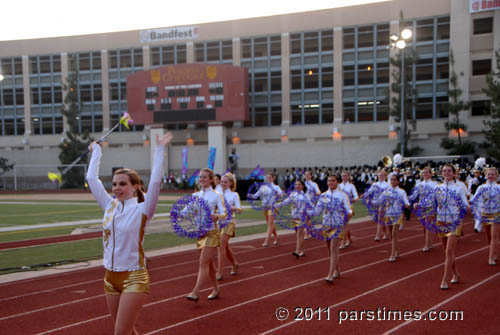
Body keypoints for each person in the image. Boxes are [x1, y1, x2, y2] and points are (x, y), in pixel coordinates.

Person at [86, 132, 173, 335]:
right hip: (110, 277)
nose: (117, 188)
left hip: (134, 277)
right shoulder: (109, 205)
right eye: (115, 184)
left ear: (135, 187)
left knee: (120, 333)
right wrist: (97, 151)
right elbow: (91, 178)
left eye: (123, 184)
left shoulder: (143, 209)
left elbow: (155, 184)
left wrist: (160, 151)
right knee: (127, 331)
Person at [185, 168, 227, 302]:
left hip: (211, 233)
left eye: (204, 177)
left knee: (203, 263)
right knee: (208, 265)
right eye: (200, 177)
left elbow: (225, 214)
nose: (202, 179)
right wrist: (176, 214)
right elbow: (187, 210)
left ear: (211, 179)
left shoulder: (216, 195)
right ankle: (216, 288)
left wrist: (217, 216)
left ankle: (195, 292)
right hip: (199, 233)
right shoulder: (195, 195)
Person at [432, 164, 469, 290]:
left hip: (454, 222)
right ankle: (455, 274)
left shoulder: (459, 188)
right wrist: (418, 205)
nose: (446, 173)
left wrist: (467, 207)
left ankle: (444, 279)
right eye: (444, 171)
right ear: (442, 173)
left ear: (454, 173)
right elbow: (431, 202)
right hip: (441, 222)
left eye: (449, 171)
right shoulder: (438, 188)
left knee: (449, 252)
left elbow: (465, 203)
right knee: (448, 252)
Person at [312, 175, 352, 283]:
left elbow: (349, 209)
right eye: (329, 181)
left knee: (334, 250)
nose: (330, 183)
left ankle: (330, 275)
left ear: (337, 182)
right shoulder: (323, 195)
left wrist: (349, 214)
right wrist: (307, 211)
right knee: (330, 250)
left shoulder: (342, 195)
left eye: (333, 181)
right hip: (326, 225)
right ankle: (337, 270)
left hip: (338, 225)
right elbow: (317, 211)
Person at [373, 172, 410, 262]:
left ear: (398, 181)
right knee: (393, 235)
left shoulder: (401, 191)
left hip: (398, 214)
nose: (393, 181)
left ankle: (392, 254)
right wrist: (369, 201)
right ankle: (397, 250)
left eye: (394, 180)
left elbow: (406, 201)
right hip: (388, 214)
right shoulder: (387, 191)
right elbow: (379, 201)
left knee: (394, 234)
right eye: (391, 180)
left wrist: (407, 204)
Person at [470, 167, 500, 265]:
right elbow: (475, 198)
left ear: (496, 176)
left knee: (494, 235)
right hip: (485, 214)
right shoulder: (481, 187)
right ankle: (494, 251)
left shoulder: (499, 188)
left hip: (497, 214)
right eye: (489, 174)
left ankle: (490, 257)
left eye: (493, 174)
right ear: (486, 176)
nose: (490, 176)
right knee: (489, 237)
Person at [275, 179, 311, 258]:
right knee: (298, 234)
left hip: (303, 216)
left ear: (302, 186)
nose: (297, 186)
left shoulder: (306, 195)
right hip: (294, 216)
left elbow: (310, 206)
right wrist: (276, 205)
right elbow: (286, 202)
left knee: (299, 234)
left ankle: (297, 251)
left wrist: (308, 216)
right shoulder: (293, 194)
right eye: (296, 185)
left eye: (299, 184)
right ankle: (302, 250)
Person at [216, 172, 242, 280]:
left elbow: (240, 209)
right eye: (222, 181)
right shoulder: (217, 194)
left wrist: (233, 208)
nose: (223, 183)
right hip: (219, 222)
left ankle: (220, 271)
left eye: (225, 182)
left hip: (230, 221)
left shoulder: (234, 195)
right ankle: (235, 264)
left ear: (231, 183)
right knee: (225, 246)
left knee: (221, 245)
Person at [247, 172, 283, 246]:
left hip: (272, 207)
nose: (268, 179)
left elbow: (281, 193)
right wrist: (250, 195)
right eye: (267, 177)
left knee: (270, 224)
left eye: (270, 177)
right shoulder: (263, 187)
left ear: (273, 178)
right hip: (265, 208)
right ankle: (276, 237)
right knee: (270, 224)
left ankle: (266, 241)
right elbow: (256, 196)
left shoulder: (276, 187)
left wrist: (279, 194)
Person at [410, 166, 438, 252]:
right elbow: (414, 196)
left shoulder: (435, 184)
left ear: (430, 174)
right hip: (422, 207)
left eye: (427, 172)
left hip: (431, 206)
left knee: (427, 223)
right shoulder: (419, 185)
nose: (425, 174)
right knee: (425, 226)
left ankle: (426, 244)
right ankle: (429, 242)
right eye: (423, 173)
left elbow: (436, 196)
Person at [362, 168, 390, 241]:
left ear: (385, 176)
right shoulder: (375, 184)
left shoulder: (387, 185)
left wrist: (387, 203)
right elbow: (370, 191)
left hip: (383, 203)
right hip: (375, 203)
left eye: (382, 175)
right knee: (380, 219)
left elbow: (388, 194)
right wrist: (364, 195)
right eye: (379, 175)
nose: (380, 176)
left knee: (380, 218)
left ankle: (378, 235)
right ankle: (385, 233)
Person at [338, 170, 359, 249]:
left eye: (345, 176)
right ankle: (349, 239)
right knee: (344, 225)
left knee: (345, 224)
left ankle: (343, 242)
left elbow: (356, 196)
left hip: (349, 207)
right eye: (343, 176)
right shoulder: (339, 185)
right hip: (340, 208)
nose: (344, 177)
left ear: (348, 176)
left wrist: (354, 199)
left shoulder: (351, 186)